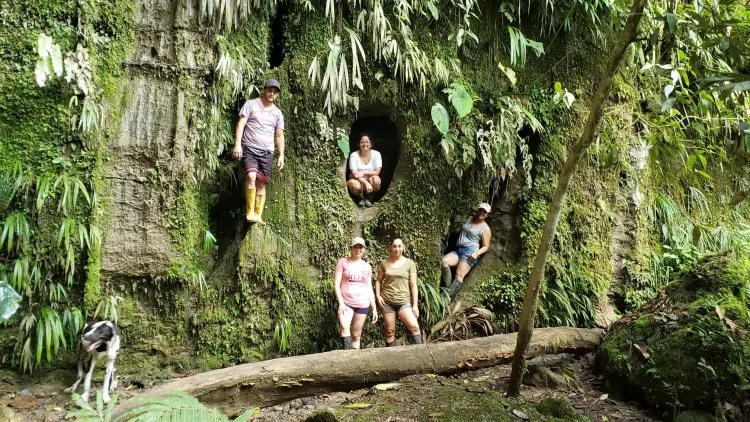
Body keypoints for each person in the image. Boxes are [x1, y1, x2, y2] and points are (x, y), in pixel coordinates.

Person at [232, 79, 285, 224]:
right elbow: (241, 124)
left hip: (267, 151)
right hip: (249, 147)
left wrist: (281, 155)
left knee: (261, 184)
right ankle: (249, 212)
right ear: (264, 90)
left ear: (277, 95)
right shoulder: (251, 104)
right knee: (251, 176)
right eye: (269, 90)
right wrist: (237, 145)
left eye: (275, 92)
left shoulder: (278, 113)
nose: (271, 94)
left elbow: (279, 136)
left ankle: (258, 214)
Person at [375, 237, 422, 346]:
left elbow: (413, 285)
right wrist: (378, 296)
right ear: (391, 247)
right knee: (389, 332)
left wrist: (415, 305)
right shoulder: (384, 263)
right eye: (394, 246)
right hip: (387, 302)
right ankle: (390, 355)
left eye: (399, 246)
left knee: (414, 327)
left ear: (403, 247)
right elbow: (378, 281)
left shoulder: (410, 263)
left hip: (404, 301)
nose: (397, 249)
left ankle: (421, 352)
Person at [334, 236, 378, 349]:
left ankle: (355, 358)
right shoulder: (343, 262)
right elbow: (336, 285)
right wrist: (341, 303)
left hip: (362, 304)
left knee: (356, 335)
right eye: (355, 247)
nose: (358, 249)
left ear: (364, 249)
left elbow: (369, 287)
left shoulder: (367, 267)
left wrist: (374, 307)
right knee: (344, 327)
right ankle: (347, 357)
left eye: (360, 247)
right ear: (351, 248)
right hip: (346, 303)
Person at [440, 203, 492, 298]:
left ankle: (443, 298)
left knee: (459, 275)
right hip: (458, 249)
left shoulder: (485, 228)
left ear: (487, 215)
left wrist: (476, 254)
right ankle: (446, 291)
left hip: (470, 252)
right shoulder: (469, 219)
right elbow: (460, 229)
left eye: (485, 212)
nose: (482, 212)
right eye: (481, 210)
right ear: (478, 210)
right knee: (444, 261)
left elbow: (486, 246)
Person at [346, 133, 382, 208]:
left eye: (367, 142)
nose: (365, 144)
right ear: (358, 144)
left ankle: (369, 198)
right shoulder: (354, 155)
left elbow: (377, 172)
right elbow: (355, 174)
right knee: (354, 184)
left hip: (370, 181)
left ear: (371, 144)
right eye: (362, 142)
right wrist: (366, 183)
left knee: (376, 180)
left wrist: (363, 172)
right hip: (357, 181)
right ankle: (360, 198)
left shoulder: (376, 154)